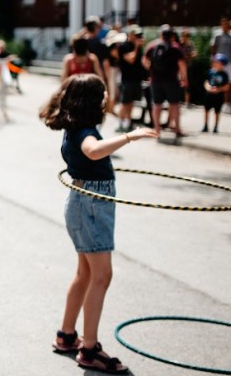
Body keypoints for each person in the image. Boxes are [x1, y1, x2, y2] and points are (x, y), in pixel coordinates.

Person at [39, 74, 156, 374]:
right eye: (103, 94)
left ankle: (67, 335)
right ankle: (89, 349)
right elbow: (93, 150)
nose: (106, 98)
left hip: (83, 203)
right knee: (101, 276)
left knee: (85, 274)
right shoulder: (85, 132)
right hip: (91, 205)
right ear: (92, 100)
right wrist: (131, 136)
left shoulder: (73, 126)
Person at [143, 25, 187, 137]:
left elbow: (144, 60)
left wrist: (151, 70)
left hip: (155, 80)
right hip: (171, 80)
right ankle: (177, 128)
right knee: (175, 104)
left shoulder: (152, 46)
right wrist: (184, 78)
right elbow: (182, 65)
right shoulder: (176, 48)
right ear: (172, 36)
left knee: (157, 105)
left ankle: (157, 129)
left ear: (160, 35)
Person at [115, 25, 146, 132]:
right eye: (136, 35)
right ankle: (120, 123)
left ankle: (128, 122)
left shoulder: (137, 47)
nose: (138, 37)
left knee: (131, 102)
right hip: (127, 79)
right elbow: (131, 59)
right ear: (130, 35)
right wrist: (137, 47)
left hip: (136, 78)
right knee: (124, 102)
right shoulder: (124, 46)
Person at [210, 16, 231, 113]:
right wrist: (212, 61)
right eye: (223, 23)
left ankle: (226, 104)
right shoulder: (217, 35)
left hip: (229, 61)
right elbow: (214, 48)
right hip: (219, 62)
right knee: (216, 81)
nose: (225, 25)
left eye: (227, 23)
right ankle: (215, 102)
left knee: (228, 82)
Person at [202, 54, 231, 133]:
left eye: (217, 62)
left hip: (218, 96)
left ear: (222, 64)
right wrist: (208, 87)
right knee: (206, 110)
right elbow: (206, 81)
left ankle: (216, 127)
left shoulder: (224, 74)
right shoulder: (210, 72)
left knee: (217, 112)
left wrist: (219, 89)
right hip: (209, 94)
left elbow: (227, 86)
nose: (215, 63)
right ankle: (205, 126)